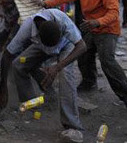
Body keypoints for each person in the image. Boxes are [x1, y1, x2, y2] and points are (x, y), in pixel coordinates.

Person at [33, 0, 127, 106]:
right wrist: (46, 3)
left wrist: (98, 22)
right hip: (90, 26)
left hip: (107, 28)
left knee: (107, 61)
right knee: (83, 54)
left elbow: (114, 12)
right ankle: (89, 82)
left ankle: (124, 93)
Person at [6, 8, 86, 141]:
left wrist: (58, 66)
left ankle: (73, 127)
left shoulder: (62, 20)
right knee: (18, 64)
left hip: (67, 46)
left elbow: (82, 46)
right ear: (38, 34)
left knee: (65, 73)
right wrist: (2, 87)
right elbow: (8, 54)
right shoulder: (27, 27)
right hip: (43, 46)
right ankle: (31, 104)